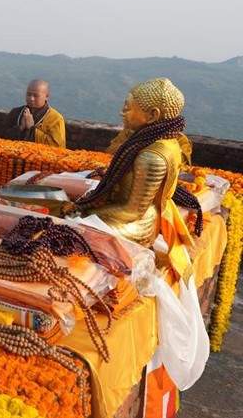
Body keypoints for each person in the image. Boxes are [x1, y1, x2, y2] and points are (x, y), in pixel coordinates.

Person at [74, 79, 197, 279]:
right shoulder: (154, 139)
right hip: (125, 211)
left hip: (138, 224)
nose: (122, 113)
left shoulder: (152, 157)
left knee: (76, 229)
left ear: (152, 116)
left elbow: (132, 210)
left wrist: (87, 211)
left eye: (128, 108)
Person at [3, 79, 65, 148]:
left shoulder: (56, 118)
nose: (31, 99)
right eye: (28, 94)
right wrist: (21, 127)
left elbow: (57, 146)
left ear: (46, 96)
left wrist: (32, 128)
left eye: (36, 96)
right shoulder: (16, 112)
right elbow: (0, 136)